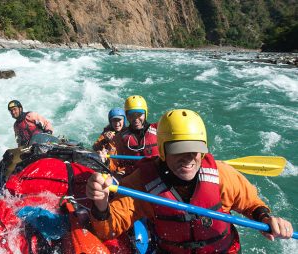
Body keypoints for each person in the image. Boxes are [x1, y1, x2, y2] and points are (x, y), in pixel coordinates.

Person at [86, 109, 293, 253]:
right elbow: (107, 230)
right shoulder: (141, 183)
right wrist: (101, 205)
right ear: (164, 150)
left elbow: (252, 205)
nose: (189, 158)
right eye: (178, 151)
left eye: (195, 151)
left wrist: (267, 219)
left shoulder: (222, 175)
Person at [102, 95, 158, 175]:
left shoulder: (158, 130)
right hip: (134, 176)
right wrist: (106, 159)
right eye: (131, 115)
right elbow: (114, 163)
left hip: (158, 174)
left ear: (145, 113)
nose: (135, 119)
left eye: (139, 114)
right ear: (127, 117)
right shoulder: (120, 137)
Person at [93, 108, 126, 172]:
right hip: (107, 164)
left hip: (120, 168)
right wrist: (105, 140)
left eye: (119, 120)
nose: (117, 123)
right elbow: (94, 147)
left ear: (124, 120)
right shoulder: (106, 133)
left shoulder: (128, 134)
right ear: (110, 122)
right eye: (114, 120)